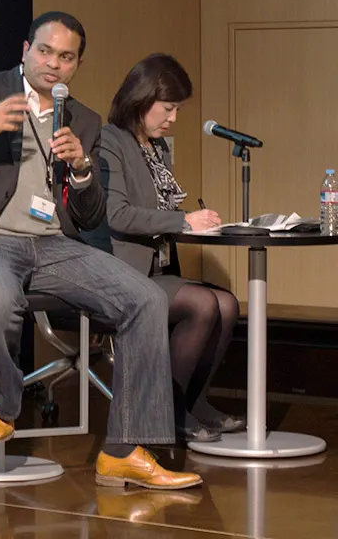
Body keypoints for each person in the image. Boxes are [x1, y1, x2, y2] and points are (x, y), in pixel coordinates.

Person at [0, 12, 200, 490]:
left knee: (147, 299)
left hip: (52, 245)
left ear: (77, 65)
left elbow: (89, 217)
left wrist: (83, 168)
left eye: (66, 57)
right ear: (26, 50)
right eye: (45, 51)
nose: (53, 64)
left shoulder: (82, 119)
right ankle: (8, 396)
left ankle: (123, 451)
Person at [93, 54, 243, 443]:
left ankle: (192, 403)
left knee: (227, 304)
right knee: (203, 304)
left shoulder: (157, 147)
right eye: (168, 108)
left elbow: (160, 210)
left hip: (158, 270)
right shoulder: (111, 141)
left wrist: (198, 222)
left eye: (177, 109)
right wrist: (182, 221)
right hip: (123, 274)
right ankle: (168, 411)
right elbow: (118, 214)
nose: (173, 118)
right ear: (142, 99)